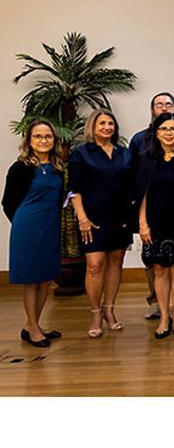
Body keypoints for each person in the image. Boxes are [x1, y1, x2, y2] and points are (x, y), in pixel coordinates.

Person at [129, 92, 174, 319]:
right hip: (155, 222)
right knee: (158, 269)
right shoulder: (146, 157)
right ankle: (163, 316)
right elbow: (142, 193)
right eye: (164, 129)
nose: (169, 133)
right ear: (156, 133)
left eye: (173, 129)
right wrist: (142, 224)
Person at [69, 109, 133, 338]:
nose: (106, 127)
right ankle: (95, 313)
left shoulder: (124, 153)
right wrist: (82, 218)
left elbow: (131, 186)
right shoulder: (82, 153)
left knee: (116, 262)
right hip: (92, 219)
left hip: (120, 218)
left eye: (110, 123)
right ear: (92, 127)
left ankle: (110, 310)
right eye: (102, 123)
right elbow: (74, 190)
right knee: (95, 264)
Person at [2, 120, 65, 348]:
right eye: (38, 136)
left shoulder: (58, 167)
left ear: (54, 140)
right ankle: (32, 327)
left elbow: (60, 199)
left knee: (46, 278)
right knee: (31, 280)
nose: (43, 140)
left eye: (47, 136)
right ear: (29, 141)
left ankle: (34, 324)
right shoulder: (21, 168)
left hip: (50, 226)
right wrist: (23, 223)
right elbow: (8, 203)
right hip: (28, 228)